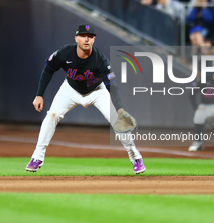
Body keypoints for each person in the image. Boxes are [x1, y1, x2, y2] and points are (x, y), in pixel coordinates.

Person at [26, 24, 146, 174]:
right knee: (52, 115)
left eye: (90, 37)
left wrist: (120, 109)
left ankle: (135, 156)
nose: (86, 39)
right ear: (76, 38)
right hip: (70, 89)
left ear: (94, 40)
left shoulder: (100, 60)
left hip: (97, 91)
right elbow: (48, 70)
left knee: (117, 120)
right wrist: (39, 95)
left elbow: (112, 86)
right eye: (83, 36)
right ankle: (37, 157)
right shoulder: (65, 53)